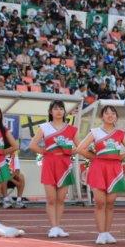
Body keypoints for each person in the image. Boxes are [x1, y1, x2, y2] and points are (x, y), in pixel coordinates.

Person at [29, 100, 79, 238]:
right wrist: (45, 151)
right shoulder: (44, 127)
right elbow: (32, 145)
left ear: (64, 112)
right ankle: (53, 227)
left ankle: (58, 226)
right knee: (51, 198)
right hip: (49, 164)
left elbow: (80, 147)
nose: (58, 111)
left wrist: (69, 152)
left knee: (61, 199)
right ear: (51, 112)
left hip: (64, 165)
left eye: (61, 109)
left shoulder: (71, 129)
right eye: (56, 109)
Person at [78, 105, 125, 245]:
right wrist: (94, 157)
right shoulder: (95, 132)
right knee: (100, 202)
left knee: (110, 203)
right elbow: (80, 148)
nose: (110, 115)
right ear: (102, 116)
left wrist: (121, 157)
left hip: (114, 170)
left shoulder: (121, 133)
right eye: (107, 113)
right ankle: (101, 233)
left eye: (113, 113)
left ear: (116, 117)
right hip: (98, 169)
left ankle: (107, 232)